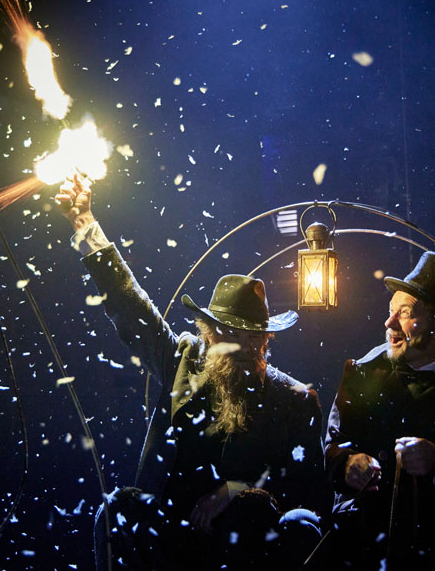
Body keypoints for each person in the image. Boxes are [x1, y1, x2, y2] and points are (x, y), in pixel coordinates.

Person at [56, 174, 331, 571]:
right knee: (118, 509)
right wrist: (85, 224)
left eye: (254, 337)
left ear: (266, 339)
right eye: (233, 336)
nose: (245, 346)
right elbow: (132, 308)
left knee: (258, 518)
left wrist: (239, 491)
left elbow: (309, 494)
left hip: (244, 545)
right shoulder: (182, 360)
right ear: (210, 334)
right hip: (171, 533)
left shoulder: (293, 400)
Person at [322, 251, 435, 570]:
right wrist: (349, 463)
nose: (389, 323)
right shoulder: (361, 371)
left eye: (404, 314)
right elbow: (334, 447)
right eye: (390, 311)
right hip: (365, 540)